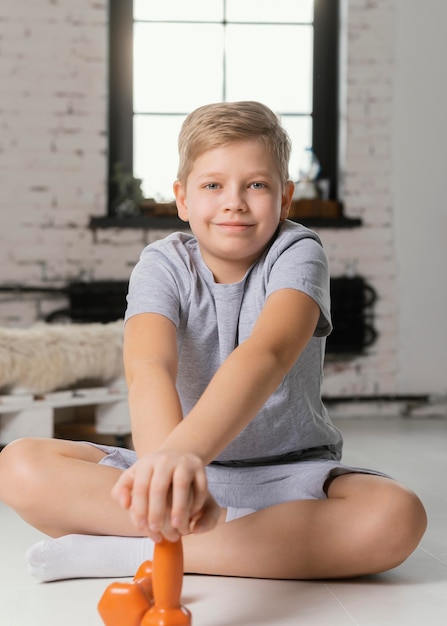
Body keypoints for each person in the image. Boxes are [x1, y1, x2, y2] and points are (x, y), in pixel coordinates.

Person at [0, 101, 426, 583]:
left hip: (285, 477)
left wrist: (187, 455)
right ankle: (219, 535)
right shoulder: (161, 264)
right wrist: (167, 472)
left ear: (285, 199)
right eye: (212, 185)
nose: (234, 202)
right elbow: (149, 367)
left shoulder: (297, 252)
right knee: (19, 465)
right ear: (182, 198)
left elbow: (267, 354)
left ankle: (129, 553)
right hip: (174, 463)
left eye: (257, 185)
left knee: (395, 517)